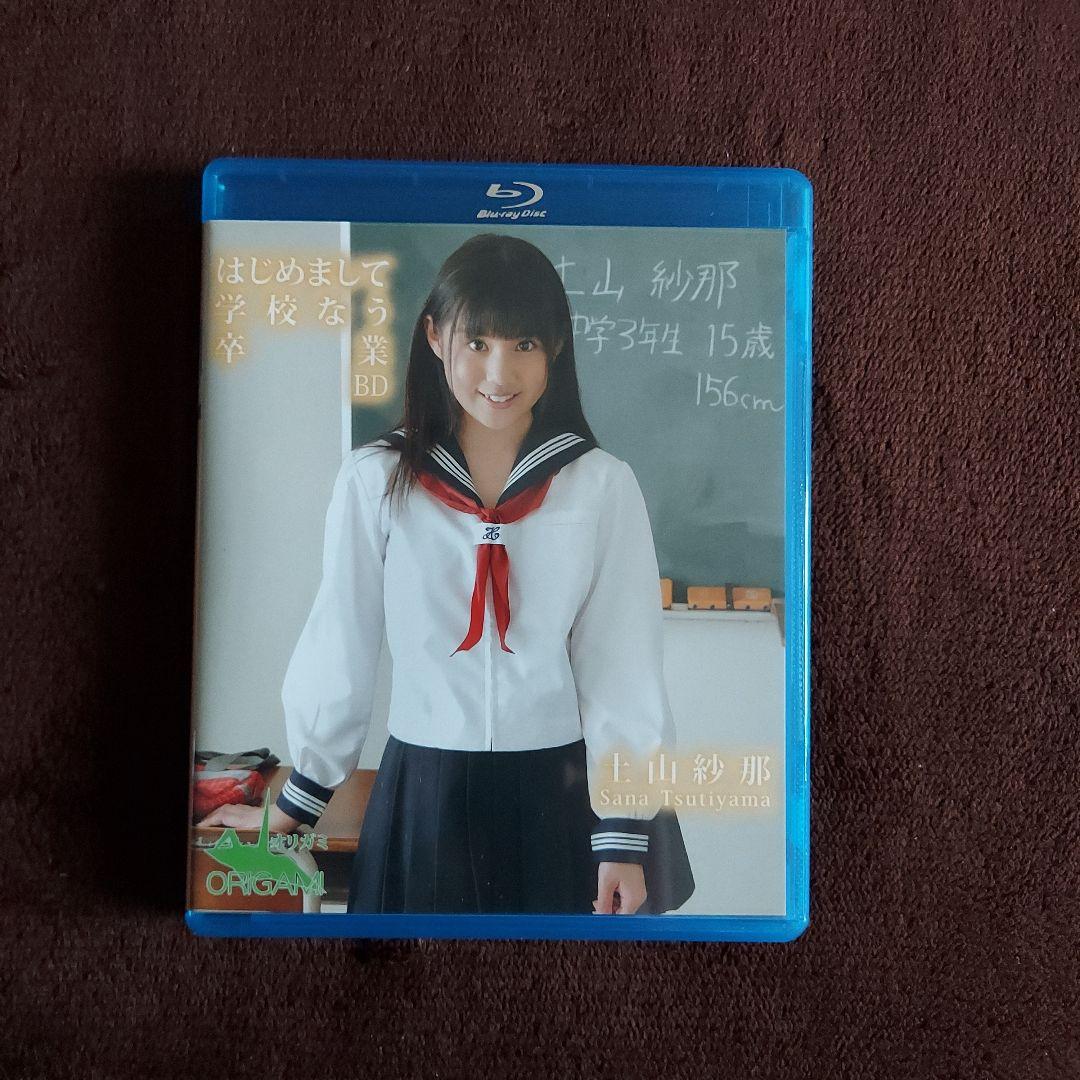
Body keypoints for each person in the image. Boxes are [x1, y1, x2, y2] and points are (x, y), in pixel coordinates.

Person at [199, 233, 694, 916]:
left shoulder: (601, 485)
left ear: (556, 347)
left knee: (554, 981)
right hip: (423, 788)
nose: (499, 372)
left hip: (558, 793)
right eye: (477, 342)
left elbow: (622, 663)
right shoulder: (376, 480)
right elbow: (341, 640)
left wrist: (623, 836)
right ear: (435, 337)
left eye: (525, 344)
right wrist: (295, 803)